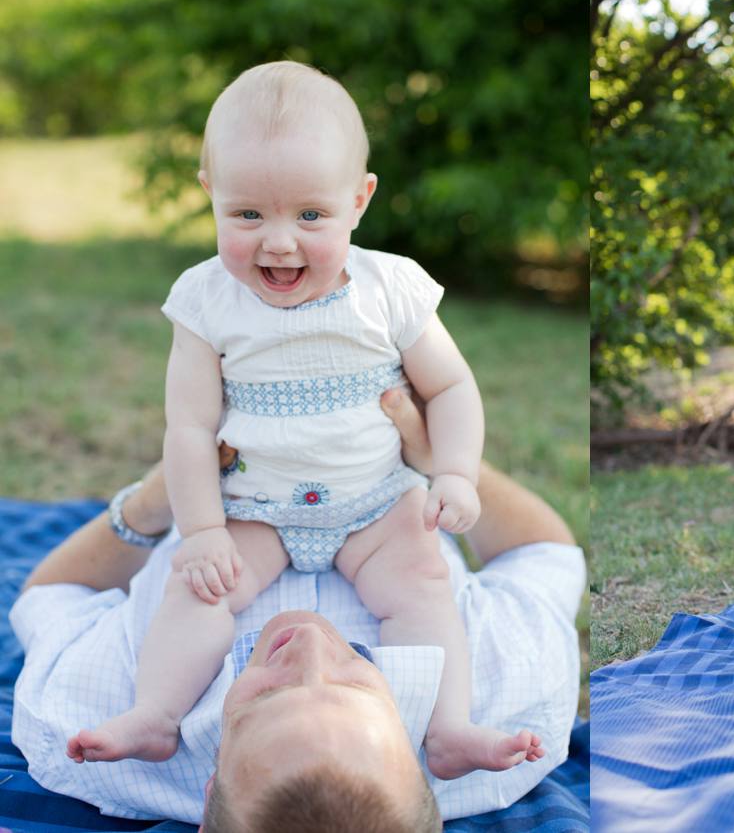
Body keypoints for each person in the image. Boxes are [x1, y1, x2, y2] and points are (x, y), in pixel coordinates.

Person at [68, 61, 524, 780]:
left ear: (359, 199)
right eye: (247, 215)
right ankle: (155, 714)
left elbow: (453, 385)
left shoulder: (391, 288)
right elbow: (188, 428)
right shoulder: (205, 300)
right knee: (199, 589)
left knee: (424, 585)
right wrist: (206, 529)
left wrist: (457, 471)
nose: (279, 243)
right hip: (255, 508)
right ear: (210, 195)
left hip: (376, 503)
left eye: (311, 216)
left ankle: (449, 727)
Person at [12, 389, 584, 830]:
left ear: (211, 787)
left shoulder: (92, 729)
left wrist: (155, 499)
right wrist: (439, 463)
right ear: (422, 773)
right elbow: (545, 554)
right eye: (360, 684)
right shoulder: (506, 708)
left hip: (230, 485)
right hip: (374, 464)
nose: (310, 643)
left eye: (266, 696)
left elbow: (52, 595)